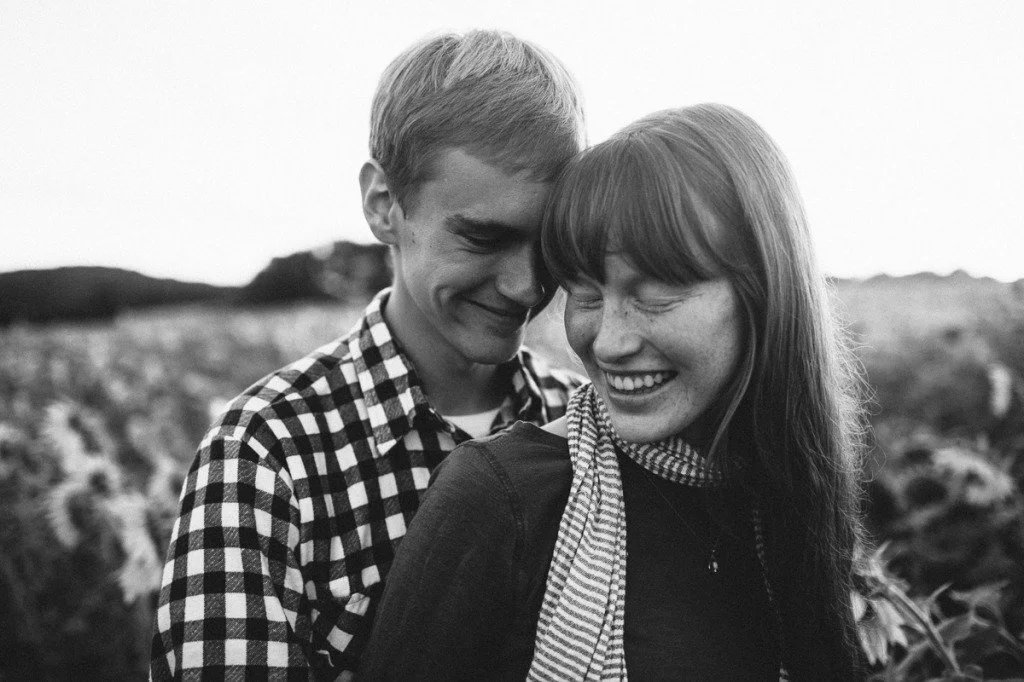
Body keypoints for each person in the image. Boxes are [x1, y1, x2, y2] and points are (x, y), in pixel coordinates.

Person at [359, 104, 867, 680]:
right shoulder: (500, 502)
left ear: (765, 291)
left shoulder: (796, 491)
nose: (608, 342)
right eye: (585, 292)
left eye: (655, 293)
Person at [150, 30, 586, 679]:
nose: (527, 286)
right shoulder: (264, 455)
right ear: (384, 206)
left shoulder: (585, 425)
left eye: (548, 241)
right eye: (482, 238)